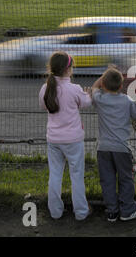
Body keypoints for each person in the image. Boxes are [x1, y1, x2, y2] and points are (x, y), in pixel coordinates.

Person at [38, 51, 92, 221]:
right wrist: (88, 93)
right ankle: (81, 212)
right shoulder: (74, 89)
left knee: (55, 174)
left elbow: (43, 105)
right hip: (73, 141)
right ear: (68, 69)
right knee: (76, 175)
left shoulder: (45, 88)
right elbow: (86, 103)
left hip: (53, 139)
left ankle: (55, 211)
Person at [91, 65, 136, 222]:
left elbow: (95, 86)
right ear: (121, 86)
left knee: (107, 180)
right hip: (122, 148)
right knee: (125, 179)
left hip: (103, 148)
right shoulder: (126, 100)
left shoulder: (99, 99)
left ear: (103, 84)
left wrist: (104, 75)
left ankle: (112, 211)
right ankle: (127, 211)